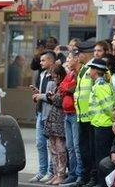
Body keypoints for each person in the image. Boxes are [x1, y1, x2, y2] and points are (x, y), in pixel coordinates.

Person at [86, 58, 115, 187]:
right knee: (98, 156)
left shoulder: (101, 86)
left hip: (103, 126)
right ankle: (100, 182)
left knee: (102, 157)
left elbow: (109, 108)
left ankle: (103, 183)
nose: (88, 72)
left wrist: (114, 120)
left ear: (95, 71)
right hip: (98, 124)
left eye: (90, 69)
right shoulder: (100, 85)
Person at [30, 51, 57, 183]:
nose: (41, 63)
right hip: (40, 113)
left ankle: (51, 172)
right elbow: (44, 94)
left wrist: (40, 96)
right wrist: (38, 93)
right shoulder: (41, 74)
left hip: (50, 115)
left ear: (51, 61)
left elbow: (52, 97)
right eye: (40, 61)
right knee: (40, 143)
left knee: (50, 145)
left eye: (43, 60)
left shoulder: (55, 75)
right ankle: (41, 171)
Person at [73, 41, 97, 186]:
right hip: (82, 116)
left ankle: (92, 177)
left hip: (92, 117)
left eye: (79, 54)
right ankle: (86, 176)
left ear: (86, 53)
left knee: (91, 150)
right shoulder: (83, 69)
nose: (77, 57)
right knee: (83, 150)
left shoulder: (95, 68)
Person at [59, 50, 84, 186]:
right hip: (67, 113)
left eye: (69, 58)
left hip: (75, 114)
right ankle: (73, 174)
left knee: (76, 146)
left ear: (76, 59)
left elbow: (72, 88)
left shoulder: (80, 73)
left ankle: (80, 175)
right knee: (70, 147)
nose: (67, 61)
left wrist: (67, 87)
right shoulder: (70, 73)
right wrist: (66, 87)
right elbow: (62, 87)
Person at [46, 65, 69, 185]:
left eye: (54, 76)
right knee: (53, 149)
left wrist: (50, 97)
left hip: (60, 122)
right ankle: (55, 173)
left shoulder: (63, 85)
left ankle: (61, 174)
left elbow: (59, 101)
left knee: (61, 150)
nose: (53, 79)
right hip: (53, 122)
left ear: (59, 75)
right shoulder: (57, 87)